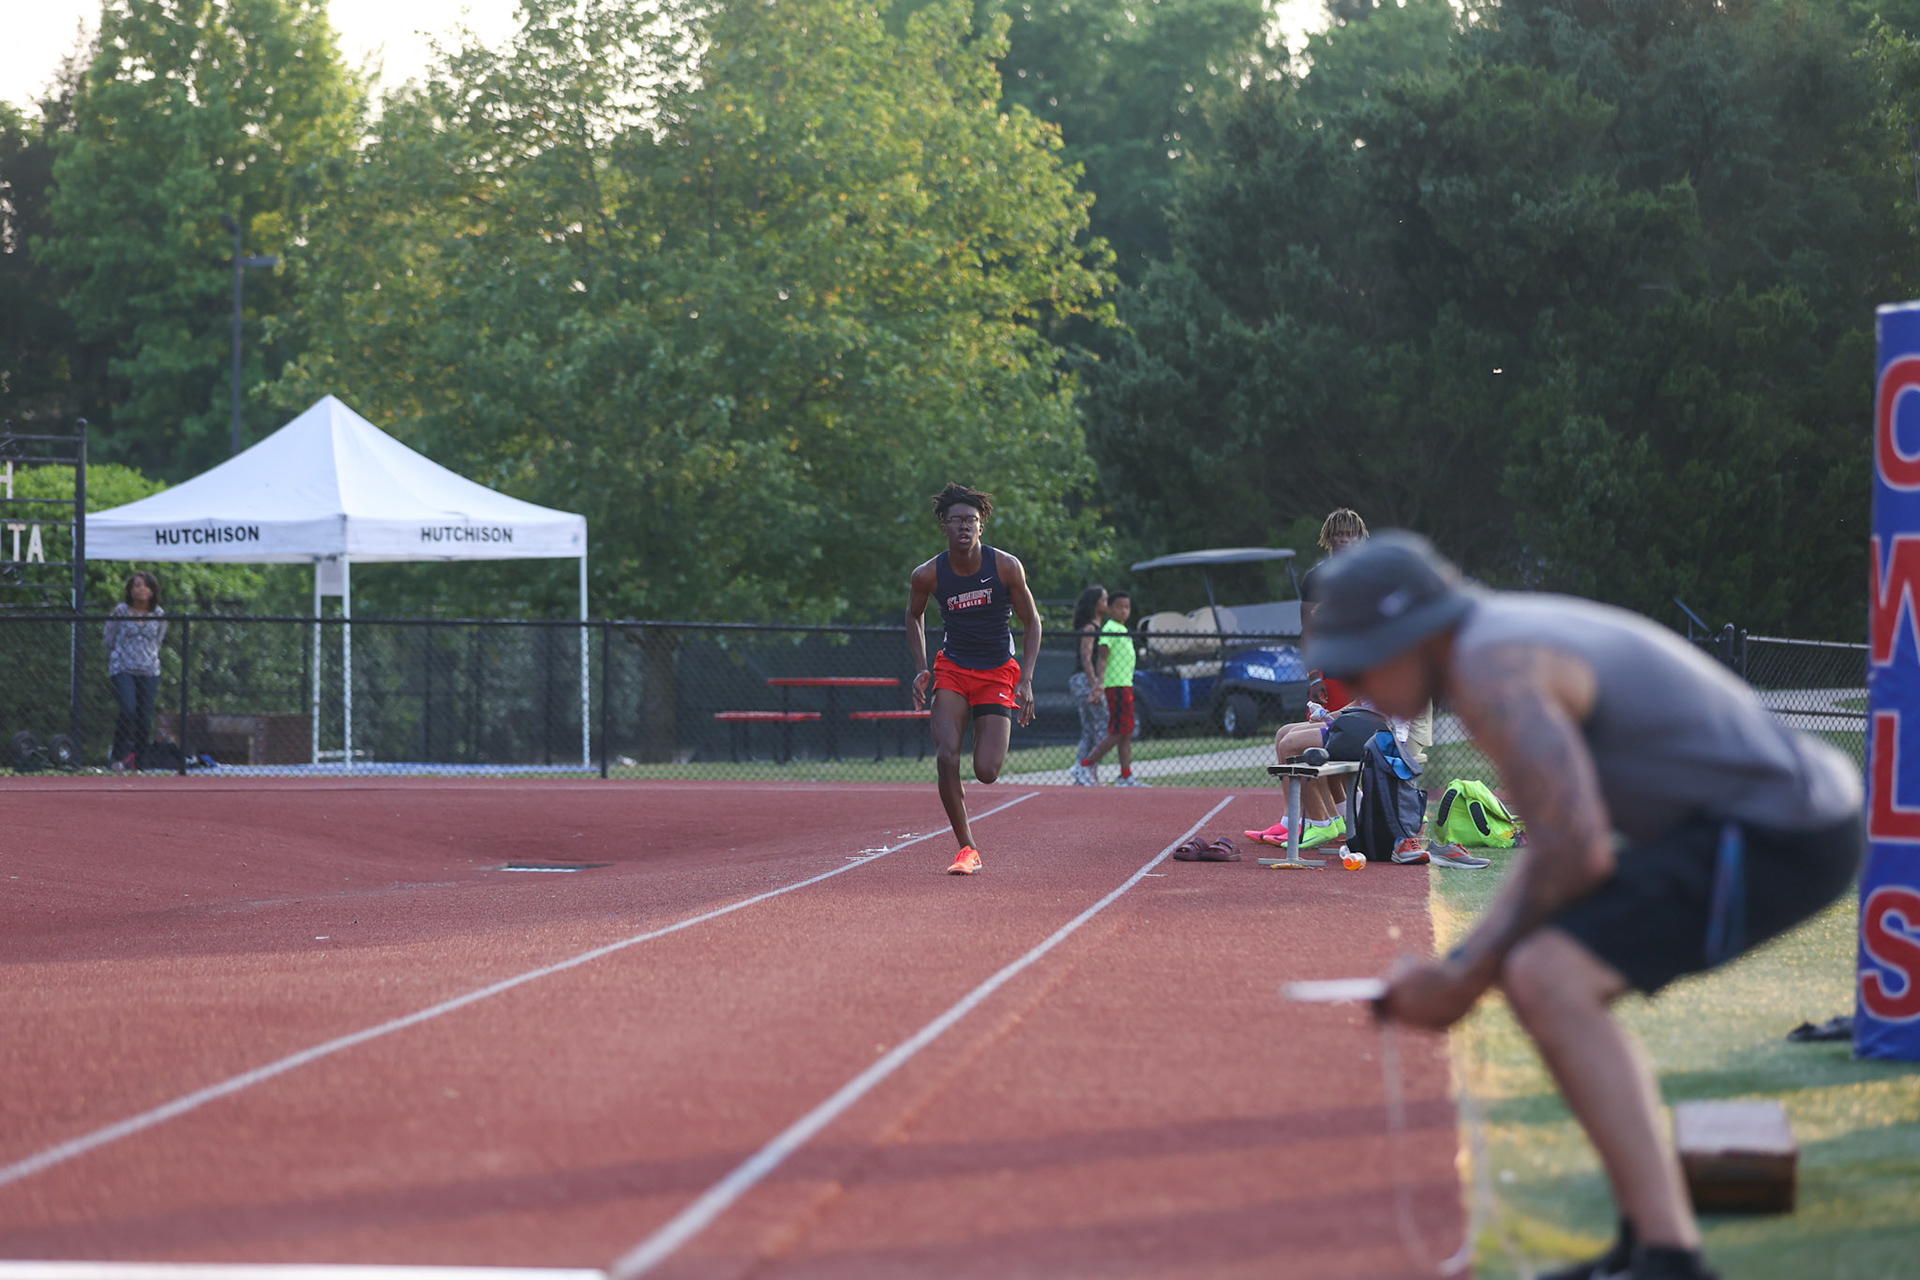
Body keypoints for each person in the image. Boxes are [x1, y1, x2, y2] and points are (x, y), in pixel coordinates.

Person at [1310, 532, 1861, 1280]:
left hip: (1782, 828)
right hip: (1764, 818)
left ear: (1410, 634)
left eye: (1355, 663)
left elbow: (1573, 850)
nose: (1352, 686)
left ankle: (1667, 1257)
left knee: (1549, 976)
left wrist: (1463, 975)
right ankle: (1655, 1248)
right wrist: (1471, 969)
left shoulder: (1492, 667)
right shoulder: (1492, 641)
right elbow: (1564, 843)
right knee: (1542, 971)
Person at [907, 482, 1043, 874]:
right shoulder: (928, 574)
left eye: (971, 520)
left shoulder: (1005, 566)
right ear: (944, 527)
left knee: (987, 771)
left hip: (998, 670)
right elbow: (914, 614)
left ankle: (984, 751)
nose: (964, 526)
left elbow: (1032, 621)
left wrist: (1027, 678)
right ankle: (967, 847)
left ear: (981, 525)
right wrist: (921, 666)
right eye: (956, 520)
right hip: (952, 669)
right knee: (946, 755)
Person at [1071, 590, 1144, 786]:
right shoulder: (1108, 628)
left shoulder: (1122, 629)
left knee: (1125, 731)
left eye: (1127, 607)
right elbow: (1100, 658)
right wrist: (1099, 684)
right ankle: (1085, 765)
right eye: (1119, 607)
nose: (1124, 611)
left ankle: (1125, 775)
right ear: (1110, 608)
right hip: (1114, 686)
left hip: (1125, 684)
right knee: (1116, 730)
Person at [104, 571, 168, 771]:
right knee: (128, 709)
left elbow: (158, 640)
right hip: (123, 668)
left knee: (145, 717)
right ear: (130, 591)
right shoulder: (121, 611)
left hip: (148, 670)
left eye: (145, 586)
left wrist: (147, 657)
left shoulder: (158, 614)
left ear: (152, 591)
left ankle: (140, 763)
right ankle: (117, 756)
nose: (141, 589)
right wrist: (119, 656)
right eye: (137, 586)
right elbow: (109, 638)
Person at [1068, 584, 1111, 783]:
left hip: (1087, 680)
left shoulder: (1100, 627)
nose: (1107, 603)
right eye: (1103, 599)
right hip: (1084, 680)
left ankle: (1084, 772)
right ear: (1094, 604)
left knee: (1091, 730)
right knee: (1103, 727)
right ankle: (1086, 768)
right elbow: (1086, 658)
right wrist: (1095, 685)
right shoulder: (1089, 628)